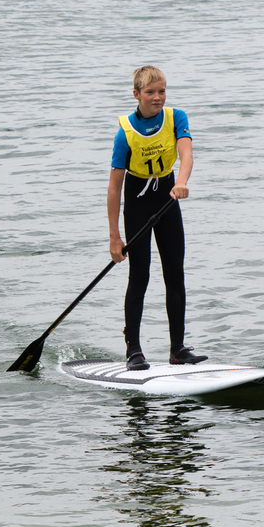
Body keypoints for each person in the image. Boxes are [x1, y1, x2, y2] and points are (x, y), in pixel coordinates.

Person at [106, 65, 206, 371]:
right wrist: (114, 237)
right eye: (150, 92)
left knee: (175, 273)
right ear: (136, 95)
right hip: (136, 200)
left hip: (168, 194)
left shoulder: (177, 118)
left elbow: (186, 154)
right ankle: (133, 349)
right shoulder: (125, 133)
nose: (158, 97)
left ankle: (177, 349)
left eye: (161, 91)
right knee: (140, 275)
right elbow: (114, 188)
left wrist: (182, 181)